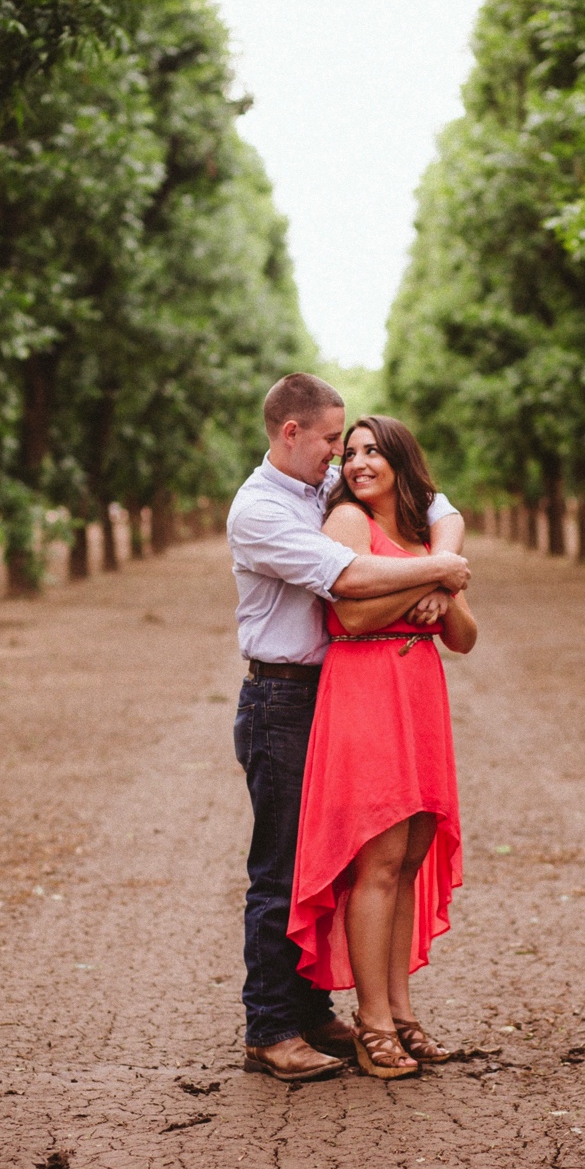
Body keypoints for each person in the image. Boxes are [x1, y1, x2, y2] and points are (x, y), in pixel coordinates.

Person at [228, 374, 470, 1083]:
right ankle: (271, 1027)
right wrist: (440, 575)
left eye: (350, 444)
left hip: (330, 691)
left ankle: (313, 1011)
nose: (343, 457)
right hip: (283, 697)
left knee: (331, 863)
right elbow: (351, 586)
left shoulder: (322, 485)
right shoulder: (261, 512)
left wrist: (441, 566)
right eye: (333, 440)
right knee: (281, 869)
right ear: (292, 433)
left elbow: (438, 505)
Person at [288, 416, 477, 1079]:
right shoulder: (346, 524)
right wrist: (429, 581)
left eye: (372, 450)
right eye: (350, 452)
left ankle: (402, 1011)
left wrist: (440, 587)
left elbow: (465, 638)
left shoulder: (423, 534)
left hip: (419, 695)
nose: (358, 462)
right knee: (380, 856)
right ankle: (370, 1021)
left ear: (401, 459)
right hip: (364, 688)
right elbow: (351, 615)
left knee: (412, 855)